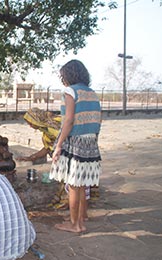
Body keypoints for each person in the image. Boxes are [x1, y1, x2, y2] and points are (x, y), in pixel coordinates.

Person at [49, 59, 102, 233]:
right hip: (91, 142)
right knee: (81, 184)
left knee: (73, 185)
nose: (62, 79)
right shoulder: (92, 93)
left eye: (63, 75)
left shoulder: (70, 91)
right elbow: (98, 120)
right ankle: (79, 221)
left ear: (69, 75)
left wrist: (59, 145)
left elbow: (69, 120)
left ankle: (74, 225)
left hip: (76, 142)